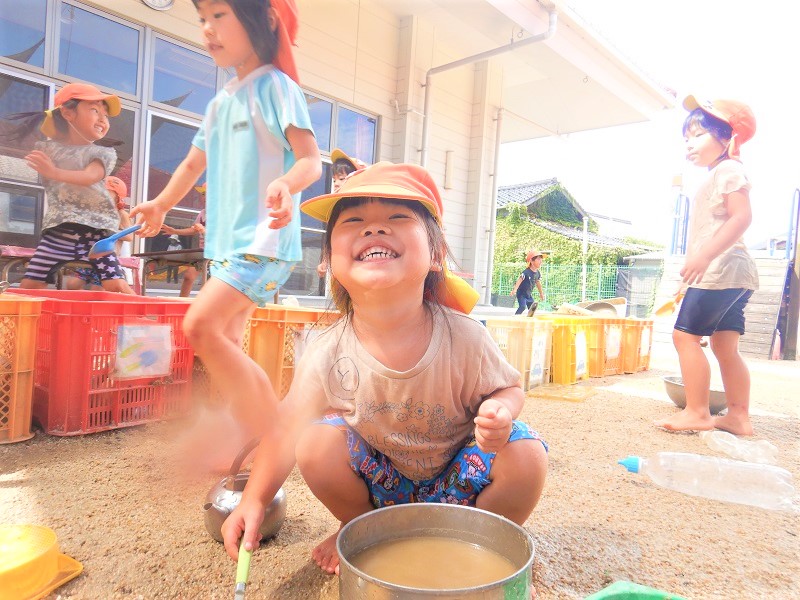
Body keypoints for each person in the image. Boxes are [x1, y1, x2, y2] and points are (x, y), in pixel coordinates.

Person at [220, 162, 548, 575]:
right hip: (382, 486)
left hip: (462, 482)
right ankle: (361, 528)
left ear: (435, 255)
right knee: (314, 444)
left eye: (397, 218)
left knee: (526, 455)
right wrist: (253, 498)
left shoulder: (465, 336)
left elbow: (509, 388)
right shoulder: (327, 349)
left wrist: (502, 412)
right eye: (354, 221)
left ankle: (482, 541)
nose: (374, 229)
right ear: (328, 262)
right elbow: (286, 428)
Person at [130, 0, 321, 467]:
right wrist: (159, 205)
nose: (207, 29)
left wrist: (286, 183)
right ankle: (247, 438)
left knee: (200, 325)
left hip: (262, 242)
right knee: (227, 343)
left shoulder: (277, 87)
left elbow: (311, 160)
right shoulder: (220, 102)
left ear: (262, 22)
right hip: (225, 246)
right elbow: (193, 163)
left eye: (219, 15)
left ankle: (274, 435)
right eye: (202, 19)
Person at [654, 95, 758, 435]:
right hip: (734, 274)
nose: (689, 144)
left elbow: (741, 217)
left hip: (721, 270)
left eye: (697, 135)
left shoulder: (728, 169)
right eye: (686, 138)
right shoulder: (721, 173)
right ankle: (738, 416)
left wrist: (703, 257)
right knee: (724, 345)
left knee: (685, 337)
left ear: (728, 138)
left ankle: (698, 411)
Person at [8, 82, 134, 294]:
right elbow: (28, 149)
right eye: (95, 110)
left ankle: (146, 318)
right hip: (59, 232)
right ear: (67, 113)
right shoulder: (49, 149)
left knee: (115, 284)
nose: (103, 119)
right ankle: (14, 321)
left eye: (105, 115)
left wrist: (53, 172)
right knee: (31, 283)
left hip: (96, 234)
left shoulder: (104, 153)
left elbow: (89, 176)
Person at [66, 176, 136, 292]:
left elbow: (129, 236)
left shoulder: (121, 214)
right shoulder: (94, 214)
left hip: (106, 259)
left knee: (98, 290)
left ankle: (98, 304)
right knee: (72, 285)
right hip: (88, 258)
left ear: (118, 200)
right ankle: (85, 305)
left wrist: (108, 230)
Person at [316, 149, 367, 277]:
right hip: (341, 268)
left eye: (342, 178)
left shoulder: (366, 206)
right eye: (334, 180)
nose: (336, 184)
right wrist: (325, 261)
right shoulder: (337, 208)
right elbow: (331, 237)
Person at [160, 183, 207, 297]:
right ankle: (180, 304)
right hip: (202, 252)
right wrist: (175, 231)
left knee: (210, 283)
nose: (204, 197)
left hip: (218, 254)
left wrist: (204, 231)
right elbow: (193, 229)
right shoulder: (202, 213)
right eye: (202, 194)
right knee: (188, 277)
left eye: (207, 194)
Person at [510, 250, 546, 315]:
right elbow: (520, 279)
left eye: (541, 259)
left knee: (532, 308)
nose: (541, 261)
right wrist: (514, 290)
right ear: (532, 261)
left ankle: (530, 319)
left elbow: (538, 283)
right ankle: (515, 318)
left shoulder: (537, 273)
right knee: (522, 307)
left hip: (528, 295)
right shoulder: (526, 272)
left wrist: (541, 293)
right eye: (538, 259)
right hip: (521, 294)